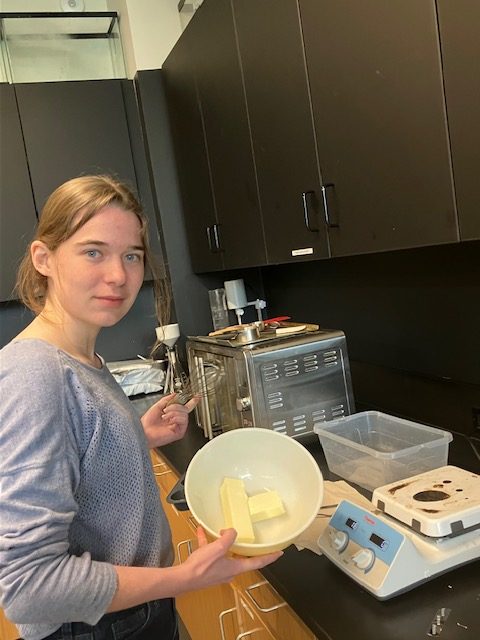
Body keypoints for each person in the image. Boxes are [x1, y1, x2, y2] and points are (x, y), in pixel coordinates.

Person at [0, 175, 282, 640]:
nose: (119, 275)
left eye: (131, 255)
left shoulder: (82, 356)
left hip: (135, 613)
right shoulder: (36, 376)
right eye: (94, 252)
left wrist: (135, 433)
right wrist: (185, 578)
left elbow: (75, 460)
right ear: (43, 259)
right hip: (97, 627)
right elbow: (31, 587)